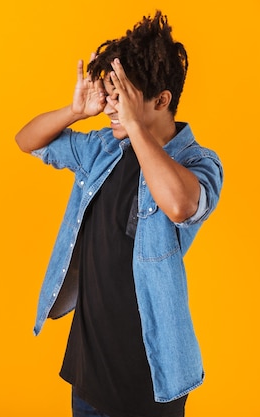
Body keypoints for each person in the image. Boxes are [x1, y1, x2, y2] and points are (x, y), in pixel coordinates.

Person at [15, 11, 223, 417]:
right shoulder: (103, 149)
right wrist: (75, 111)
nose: (111, 107)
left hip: (150, 377)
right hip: (88, 370)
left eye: (122, 96)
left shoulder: (200, 163)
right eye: (109, 95)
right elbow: (27, 141)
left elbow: (181, 205)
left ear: (161, 100)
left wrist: (132, 124)